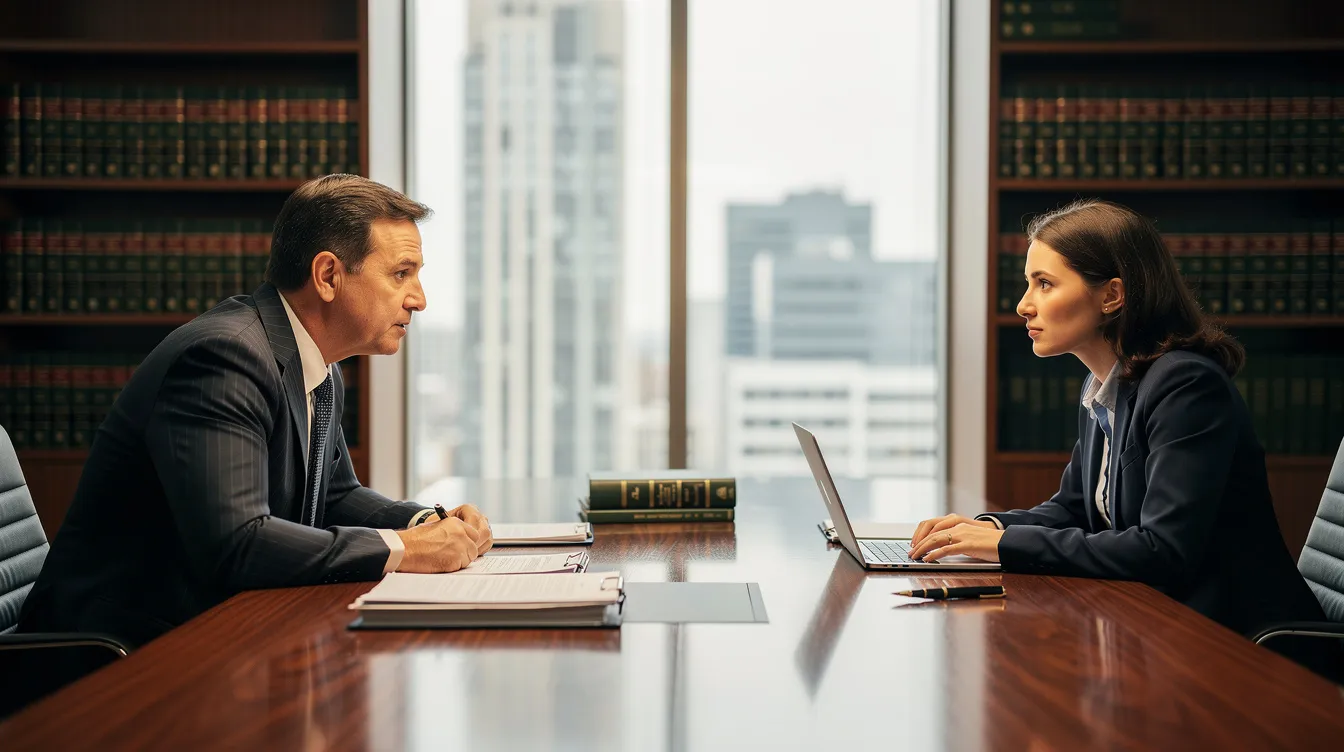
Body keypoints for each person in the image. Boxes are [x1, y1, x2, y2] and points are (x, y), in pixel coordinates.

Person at [19, 175, 492, 652]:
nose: (419, 298)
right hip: (112, 657)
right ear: (328, 276)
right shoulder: (225, 357)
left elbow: (333, 494)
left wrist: (424, 524)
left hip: (215, 634)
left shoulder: (319, 368)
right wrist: (404, 550)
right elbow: (237, 543)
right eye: (401, 273)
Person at [909, 199, 1329, 656]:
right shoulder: (1108, 384)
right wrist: (979, 530)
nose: (1023, 306)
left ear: (1112, 295)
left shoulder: (1186, 385)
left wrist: (1005, 543)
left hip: (1242, 646)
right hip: (1164, 630)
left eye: (1044, 284)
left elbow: (1162, 551)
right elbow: (1072, 509)